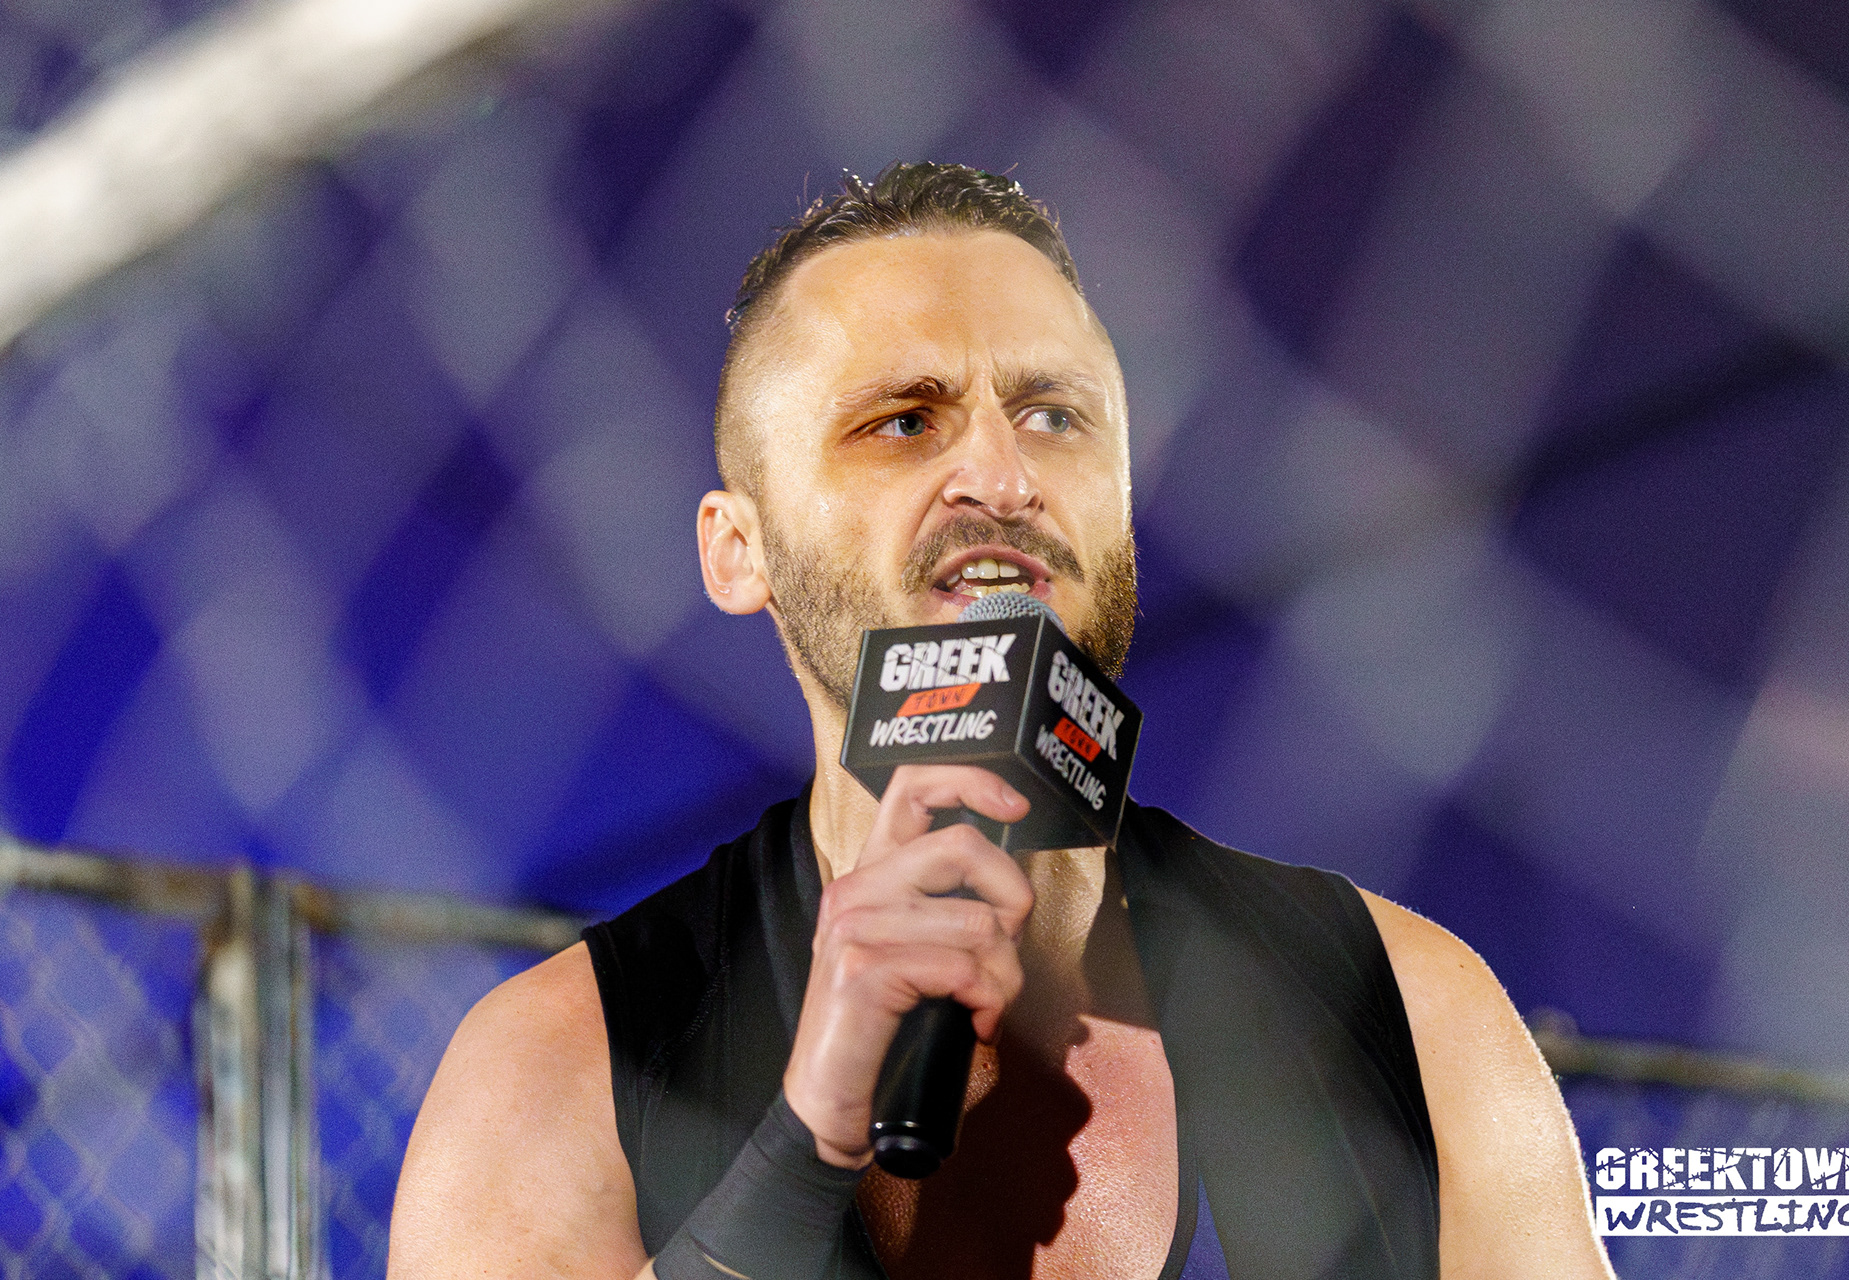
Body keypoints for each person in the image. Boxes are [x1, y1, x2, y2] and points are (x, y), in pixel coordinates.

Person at [388, 163, 1615, 1279]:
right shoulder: (558, 1068)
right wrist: (799, 1153)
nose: (1002, 476)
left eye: (1053, 415)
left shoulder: (1412, 1009)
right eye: (904, 420)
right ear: (737, 548)